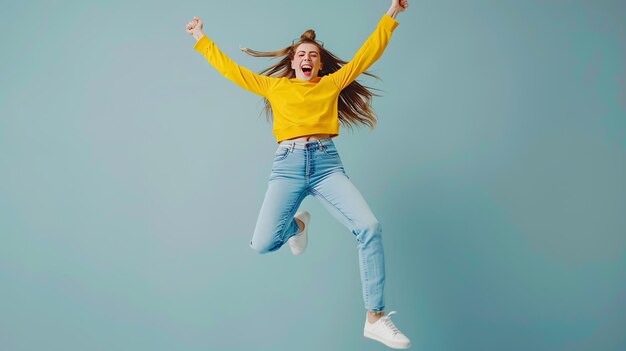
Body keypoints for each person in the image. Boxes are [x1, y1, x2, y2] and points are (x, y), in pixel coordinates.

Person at [186, 1, 411, 348]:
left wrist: (392, 13)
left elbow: (368, 54)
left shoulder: (331, 83)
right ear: (293, 63)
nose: (308, 59)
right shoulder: (275, 87)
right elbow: (232, 70)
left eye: (313, 56)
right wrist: (202, 38)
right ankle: (298, 226)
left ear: (319, 64)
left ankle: (375, 317)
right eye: (302, 55)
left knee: (369, 227)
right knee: (262, 244)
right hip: (287, 167)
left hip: (325, 166)